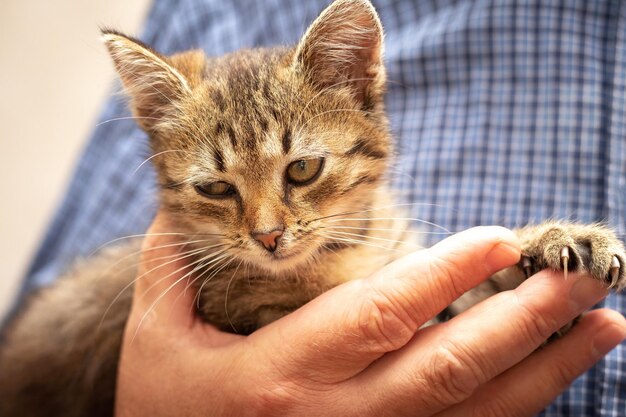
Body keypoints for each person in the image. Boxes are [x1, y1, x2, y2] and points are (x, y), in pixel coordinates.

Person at [16, 0, 626, 415]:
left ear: (359, 90)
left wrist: (534, 262)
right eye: (218, 189)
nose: (266, 229)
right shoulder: (213, 292)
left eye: (301, 170)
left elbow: (433, 323)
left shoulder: (374, 227)